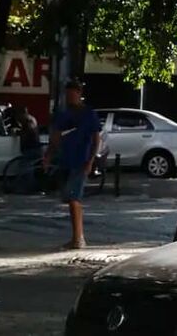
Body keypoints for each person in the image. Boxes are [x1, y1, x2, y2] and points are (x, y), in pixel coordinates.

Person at [43, 80, 101, 249]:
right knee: (70, 198)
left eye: (72, 94)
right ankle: (77, 236)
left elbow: (96, 139)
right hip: (66, 160)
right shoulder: (63, 114)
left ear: (79, 94)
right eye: (67, 94)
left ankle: (78, 239)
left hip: (81, 160)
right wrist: (48, 156)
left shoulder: (89, 114)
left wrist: (91, 160)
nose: (69, 97)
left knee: (73, 197)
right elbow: (55, 138)